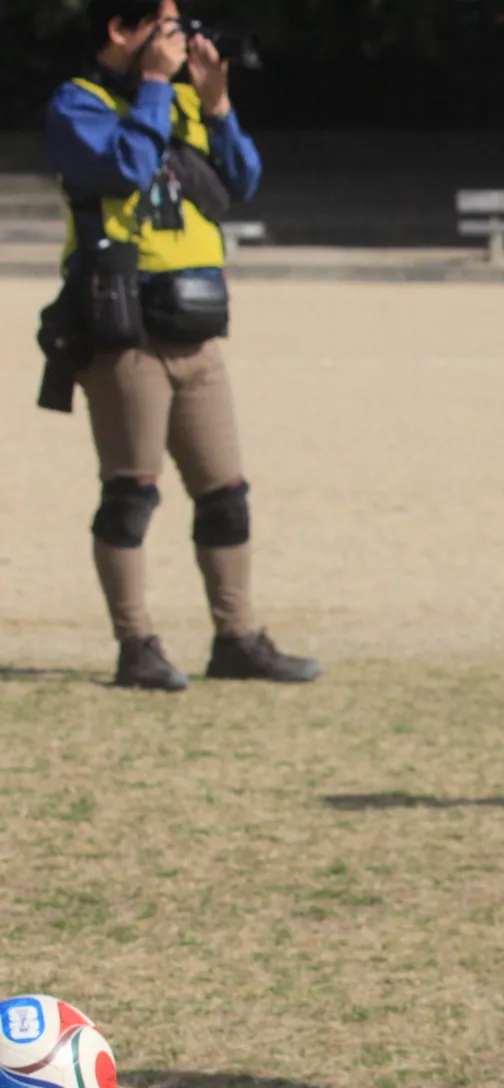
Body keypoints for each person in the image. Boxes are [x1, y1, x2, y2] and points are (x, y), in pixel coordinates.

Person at [42, 0, 319, 691]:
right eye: (164, 26)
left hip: (197, 327)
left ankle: (237, 639)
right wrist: (156, 88)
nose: (179, 38)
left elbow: (242, 181)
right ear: (120, 30)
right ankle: (136, 647)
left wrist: (217, 105)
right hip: (125, 331)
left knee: (226, 494)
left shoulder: (184, 101)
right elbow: (128, 170)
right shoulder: (77, 106)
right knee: (131, 493)